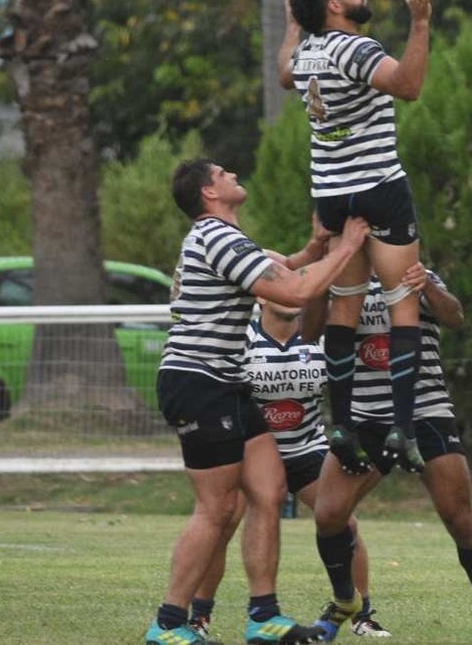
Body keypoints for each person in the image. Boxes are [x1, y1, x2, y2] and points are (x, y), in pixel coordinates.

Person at [145, 160, 369, 645]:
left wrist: (315, 247)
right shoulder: (216, 236)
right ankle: (167, 624)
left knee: (268, 491)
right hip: (198, 382)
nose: (233, 175)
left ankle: (264, 616)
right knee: (217, 508)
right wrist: (348, 247)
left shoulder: (224, 239)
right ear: (209, 192)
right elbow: (297, 289)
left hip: (227, 383)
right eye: (223, 173)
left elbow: (282, 267)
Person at [283, 0, 434, 475]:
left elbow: (284, 73)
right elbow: (408, 86)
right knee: (403, 304)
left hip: (331, 197)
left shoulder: (305, 56)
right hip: (380, 188)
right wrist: (420, 24)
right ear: (333, 6)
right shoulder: (356, 49)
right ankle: (405, 427)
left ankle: (343, 424)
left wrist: (291, 25)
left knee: (344, 311)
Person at [306, 265, 472, 643]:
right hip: (365, 417)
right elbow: (308, 332)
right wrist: (319, 285)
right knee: (329, 515)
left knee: (459, 517)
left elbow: (455, 316)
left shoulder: (415, 271)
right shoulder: (343, 277)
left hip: (426, 412)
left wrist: (426, 284)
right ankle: (346, 600)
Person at [189, 296, 389, 641]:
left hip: (306, 449)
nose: (293, 294)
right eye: (281, 285)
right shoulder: (241, 341)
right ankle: (199, 617)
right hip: (249, 452)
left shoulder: (320, 340)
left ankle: (362, 614)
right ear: (262, 296)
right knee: (221, 524)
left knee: (343, 522)